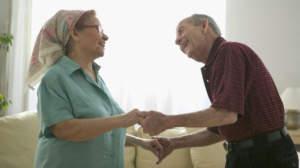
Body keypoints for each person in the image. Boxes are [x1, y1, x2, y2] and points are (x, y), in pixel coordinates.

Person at [137, 14, 299, 168]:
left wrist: (166, 121)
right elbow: (220, 129)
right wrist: (174, 143)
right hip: (246, 155)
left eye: (181, 30)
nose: (177, 40)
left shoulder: (229, 51)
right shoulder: (219, 62)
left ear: (204, 25)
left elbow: (225, 114)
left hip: (264, 156)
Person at [25, 9, 162, 168]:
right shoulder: (56, 77)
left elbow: (102, 131)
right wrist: (122, 120)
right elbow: (64, 129)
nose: (106, 36)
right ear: (75, 34)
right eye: (98, 29)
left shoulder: (97, 78)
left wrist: (141, 142)